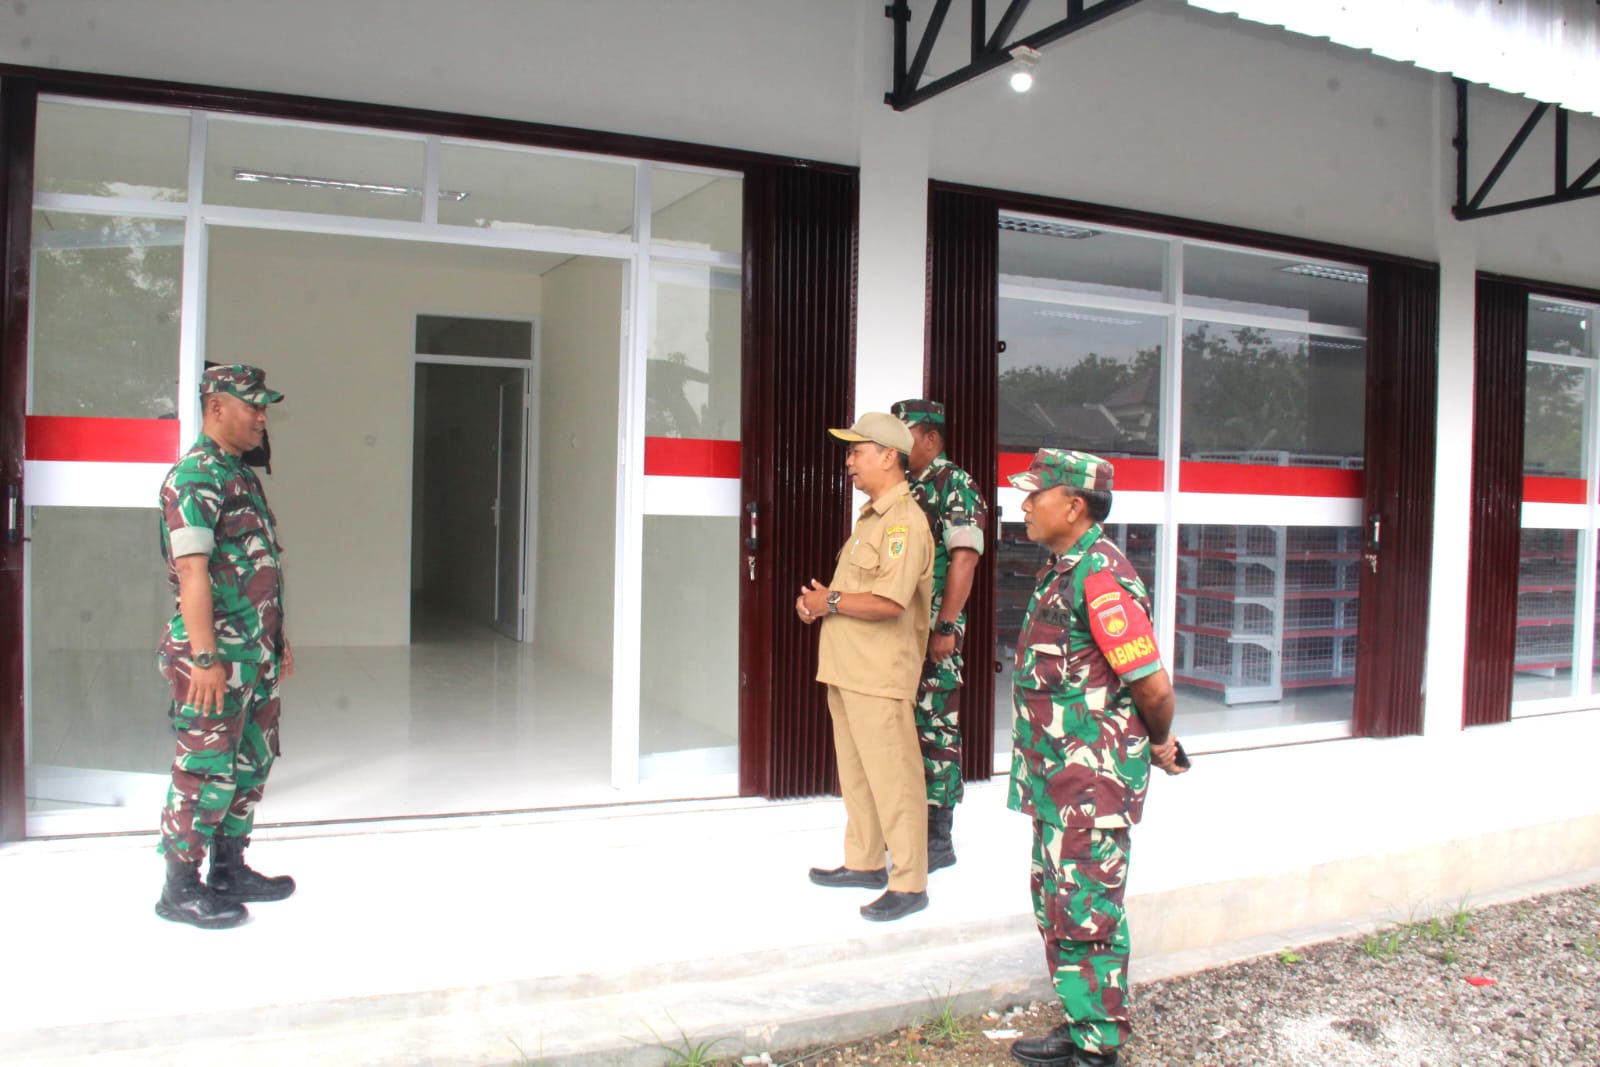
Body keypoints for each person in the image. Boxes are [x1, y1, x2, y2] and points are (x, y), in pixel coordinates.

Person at [1004, 449, 1187, 1067]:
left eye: (1037, 494)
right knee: (1057, 905)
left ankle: (1098, 1046)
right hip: (1057, 780)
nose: (1025, 504)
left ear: (1074, 506)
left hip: (1090, 785)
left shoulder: (1100, 578)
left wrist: (1160, 741)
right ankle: (1083, 1019)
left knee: (1087, 911)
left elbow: (1153, 688)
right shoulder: (1063, 568)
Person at [154, 364, 296, 929]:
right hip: (215, 656)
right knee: (204, 768)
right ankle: (179, 888)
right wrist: (206, 658)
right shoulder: (195, 477)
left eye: (264, 408)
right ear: (217, 407)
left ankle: (228, 870)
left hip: (253, 651)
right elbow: (192, 573)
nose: (262, 417)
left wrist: (276, 639)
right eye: (252, 406)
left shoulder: (239, 474)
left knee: (250, 760)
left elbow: (256, 567)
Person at [796, 412, 935, 922]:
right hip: (847, 668)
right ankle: (865, 862)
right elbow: (852, 595)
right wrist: (818, 605)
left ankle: (910, 882)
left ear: (889, 456)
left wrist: (830, 601)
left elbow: (889, 602)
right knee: (857, 776)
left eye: (857, 451)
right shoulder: (871, 519)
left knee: (895, 780)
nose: (849, 460)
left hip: (879, 674)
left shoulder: (904, 523)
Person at [891, 399, 988, 871]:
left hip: (935, 629)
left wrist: (946, 625)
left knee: (935, 726)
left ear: (931, 437)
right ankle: (907, 824)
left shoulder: (955, 484)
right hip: (901, 627)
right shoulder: (906, 486)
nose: (896, 443)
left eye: (904, 433)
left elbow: (965, 559)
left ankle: (937, 837)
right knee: (904, 724)